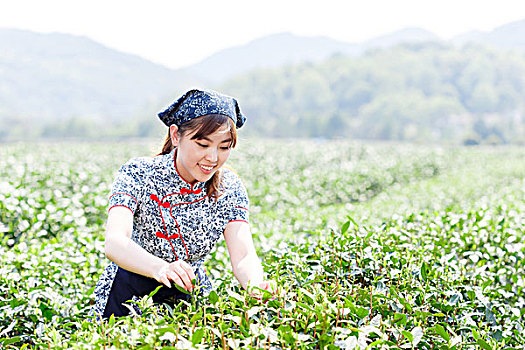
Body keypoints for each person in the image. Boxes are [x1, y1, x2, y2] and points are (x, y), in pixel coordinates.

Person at [91, 89, 274, 318]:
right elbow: (115, 242)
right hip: (128, 291)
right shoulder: (139, 173)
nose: (213, 158)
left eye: (224, 147)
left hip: (189, 293)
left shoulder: (229, 187)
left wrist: (257, 287)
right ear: (176, 135)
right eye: (203, 144)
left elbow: (243, 256)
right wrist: (162, 268)